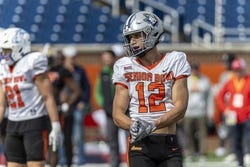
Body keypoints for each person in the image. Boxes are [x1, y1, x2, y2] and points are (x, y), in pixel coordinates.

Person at [112, 11, 191, 167]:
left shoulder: (174, 60)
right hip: (140, 145)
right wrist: (133, 125)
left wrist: (153, 124)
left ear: (152, 33)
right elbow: (117, 114)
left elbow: (180, 108)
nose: (132, 42)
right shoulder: (125, 66)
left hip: (168, 142)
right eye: (129, 37)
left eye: (136, 36)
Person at [0, 27, 62, 167]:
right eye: (3, 50)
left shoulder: (32, 62)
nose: (4, 54)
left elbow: (48, 96)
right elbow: (1, 104)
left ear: (20, 47)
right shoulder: (2, 67)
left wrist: (55, 124)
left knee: (36, 164)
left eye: (7, 50)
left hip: (34, 122)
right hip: (12, 123)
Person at [47, 51, 81, 167]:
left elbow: (76, 90)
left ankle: (68, 164)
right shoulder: (42, 71)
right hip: (48, 111)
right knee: (52, 141)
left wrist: (68, 103)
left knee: (66, 140)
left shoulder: (62, 71)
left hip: (62, 110)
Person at [216, 57, 250, 167]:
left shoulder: (248, 80)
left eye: (239, 69)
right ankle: (239, 161)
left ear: (243, 69)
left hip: (247, 115)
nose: (237, 72)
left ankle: (247, 154)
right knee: (235, 138)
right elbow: (219, 96)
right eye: (235, 70)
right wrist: (225, 109)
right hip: (232, 115)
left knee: (247, 137)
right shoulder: (230, 82)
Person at [61, 46, 90, 166]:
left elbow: (86, 87)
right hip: (63, 107)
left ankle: (81, 159)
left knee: (78, 136)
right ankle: (62, 159)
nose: (72, 60)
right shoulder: (60, 71)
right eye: (69, 58)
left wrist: (83, 101)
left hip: (76, 106)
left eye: (73, 58)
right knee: (62, 135)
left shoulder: (80, 71)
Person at [94, 50, 121, 167]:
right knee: (112, 140)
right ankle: (114, 163)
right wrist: (104, 104)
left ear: (114, 58)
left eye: (108, 58)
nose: (106, 61)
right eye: (104, 58)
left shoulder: (121, 72)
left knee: (132, 138)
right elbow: (97, 92)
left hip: (126, 111)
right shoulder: (102, 74)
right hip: (110, 112)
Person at [183, 62, 211, 161]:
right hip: (189, 111)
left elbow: (209, 97)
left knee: (202, 134)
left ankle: (202, 153)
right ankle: (190, 153)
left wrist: (210, 111)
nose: (194, 71)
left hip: (201, 111)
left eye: (196, 69)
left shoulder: (205, 80)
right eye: (193, 69)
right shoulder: (186, 79)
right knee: (188, 133)